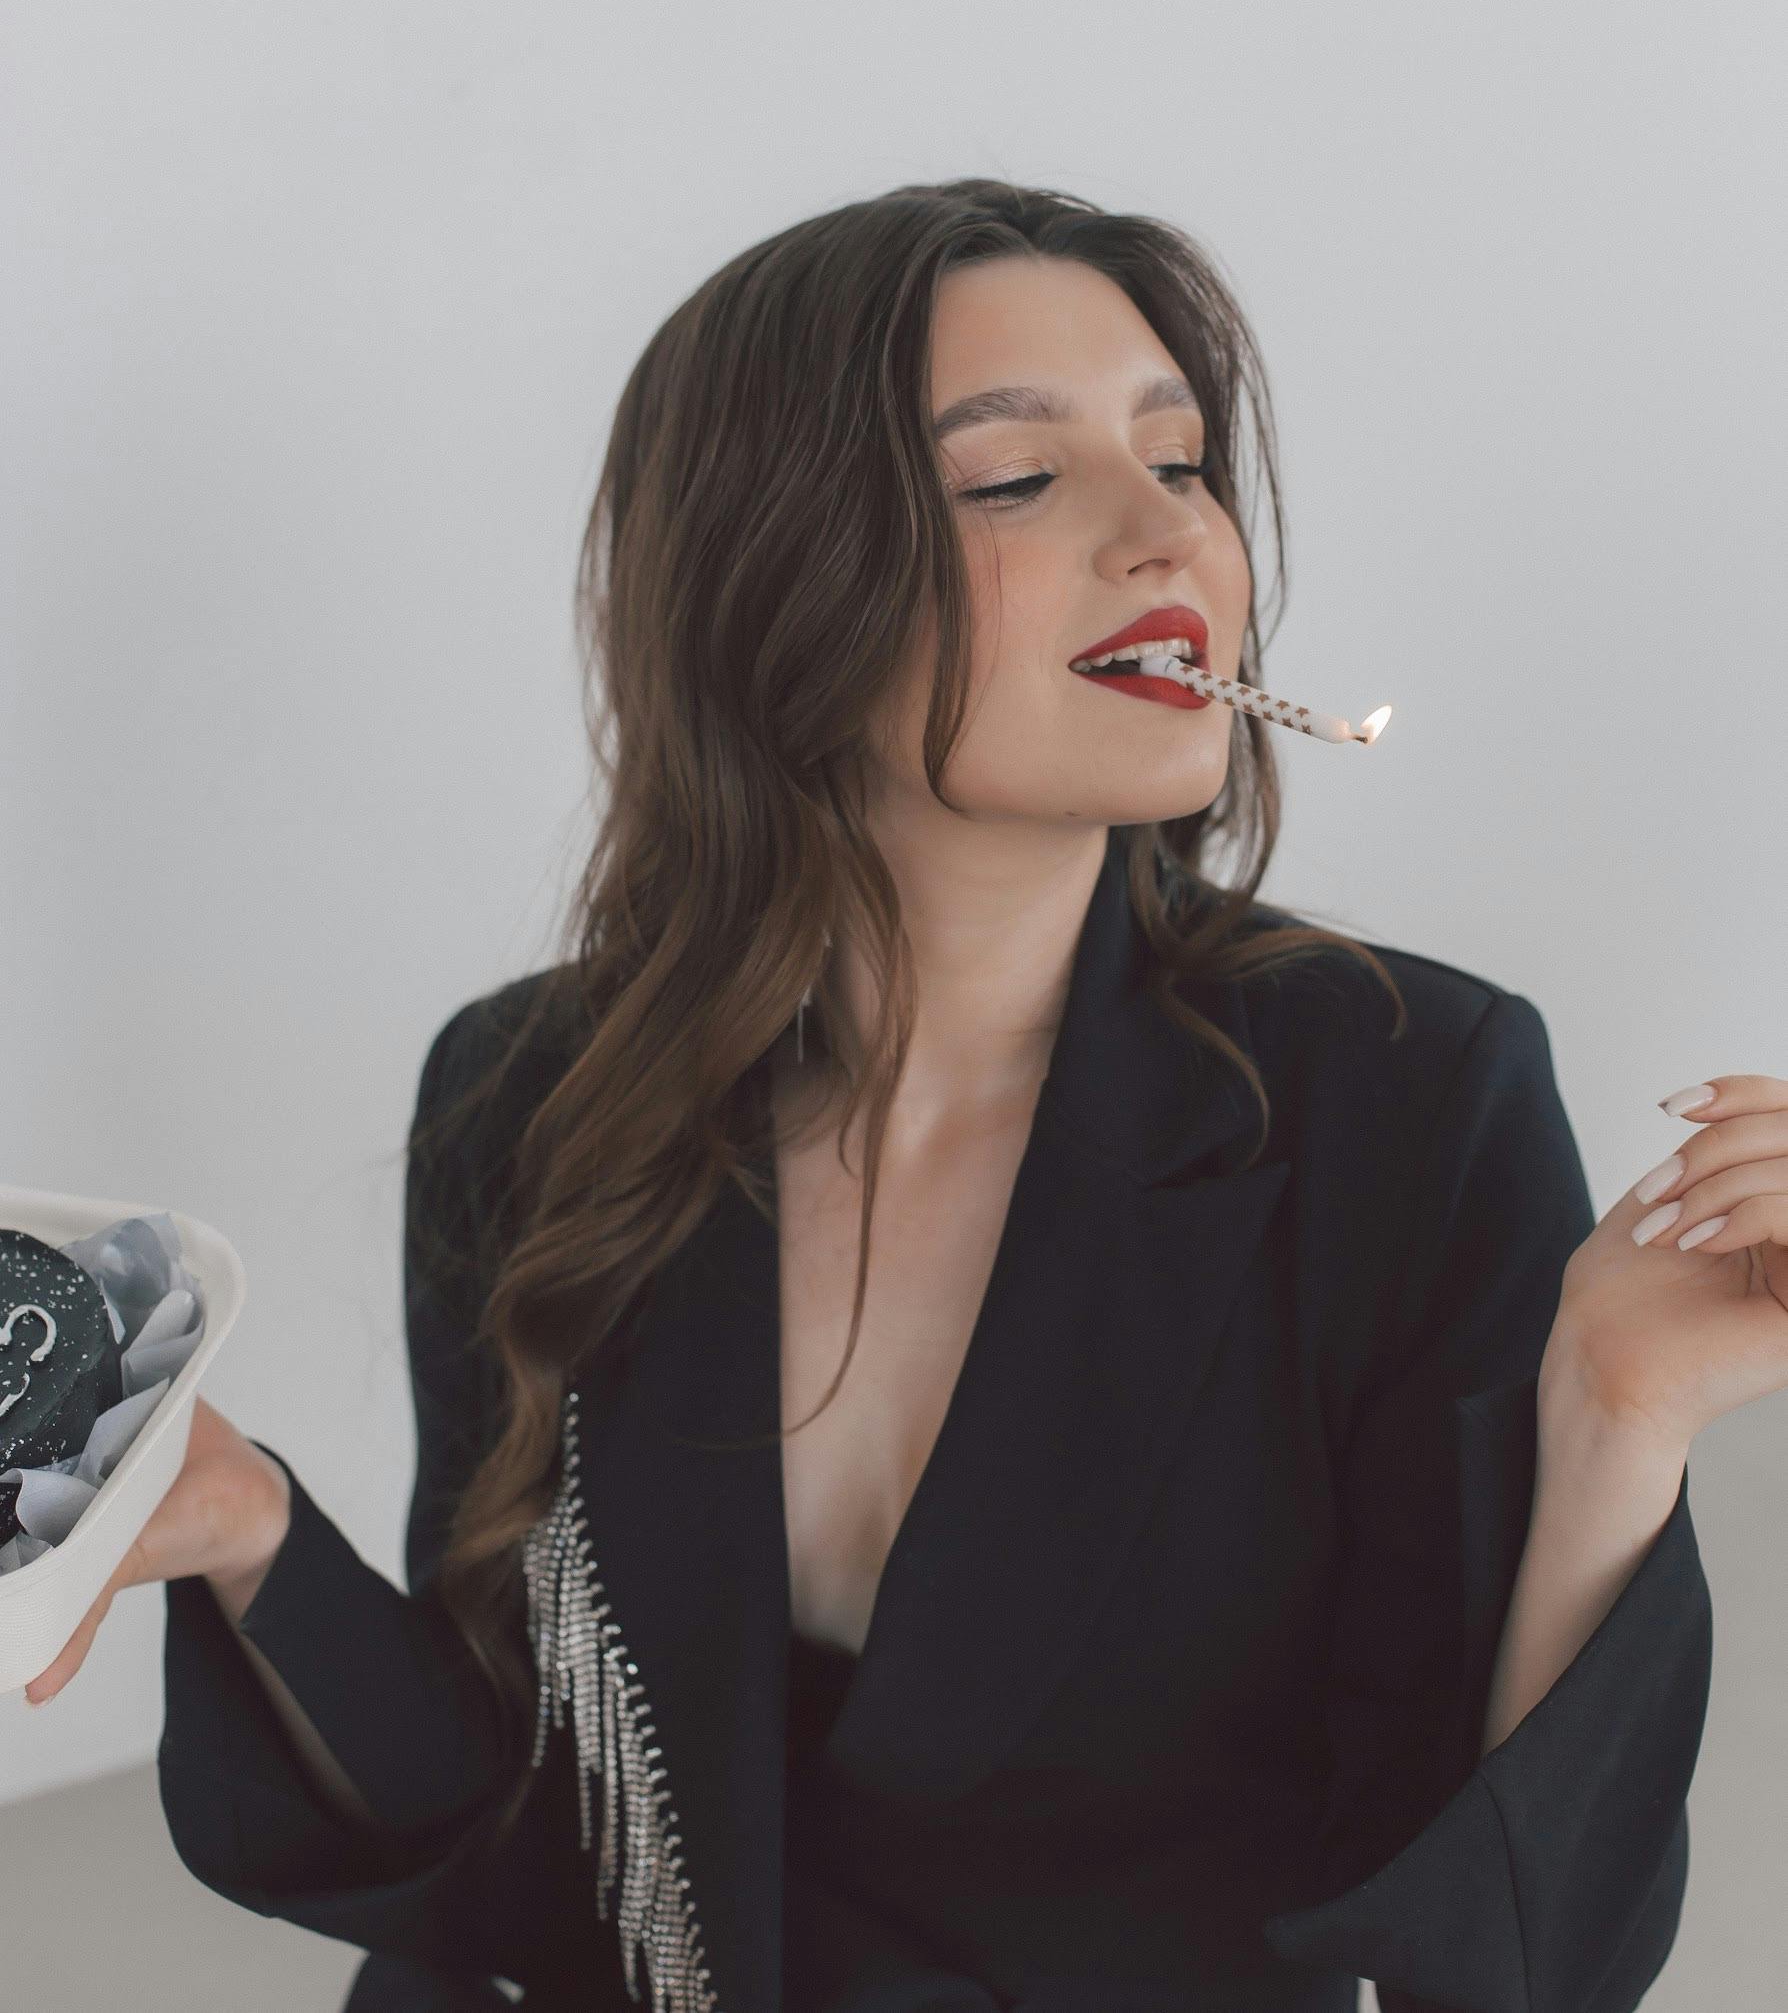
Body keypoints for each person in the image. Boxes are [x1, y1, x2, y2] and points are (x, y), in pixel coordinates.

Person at [28, 181, 1723, 2012]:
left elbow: (1510, 1961)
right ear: (778, 577)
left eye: (1186, 459)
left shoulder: (1407, 1098)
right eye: (1016, 480)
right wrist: (248, 1533)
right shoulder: (533, 1094)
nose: (1169, 539)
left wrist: (1624, 1415)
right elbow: (533, 1842)